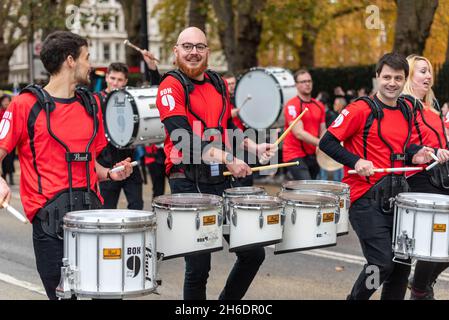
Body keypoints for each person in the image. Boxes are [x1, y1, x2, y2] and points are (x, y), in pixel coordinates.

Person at [0, 31, 133, 300]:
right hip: (51, 229)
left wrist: (109, 173)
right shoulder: (25, 105)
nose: (91, 64)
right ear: (70, 60)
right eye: (87, 57)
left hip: (92, 222)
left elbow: (90, 163)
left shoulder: (91, 104)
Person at [155, 26, 277, 300]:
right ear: (176, 51)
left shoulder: (218, 82)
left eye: (200, 46)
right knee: (199, 265)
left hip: (218, 176)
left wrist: (254, 147)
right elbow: (182, 138)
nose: (194, 52)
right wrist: (228, 158)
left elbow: (226, 127)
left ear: (208, 51)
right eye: (187, 46)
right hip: (186, 180)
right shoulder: (170, 85)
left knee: (252, 253)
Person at [319, 52, 436, 300]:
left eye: (397, 78)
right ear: (377, 77)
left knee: (401, 267)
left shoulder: (407, 109)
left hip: (398, 199)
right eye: (386, 77)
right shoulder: (360, 109)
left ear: (404, 80)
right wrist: (356, 160)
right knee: (381, 262)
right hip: (365, 199)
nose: (391, 83)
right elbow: (327, 142)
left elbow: (403, 148)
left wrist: (418, 154)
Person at [401, 55, 449, 300]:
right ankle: (420, 287)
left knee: (441, 241)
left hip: (443, 176)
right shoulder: (405, 105)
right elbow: (401, 143)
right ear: (409, 76)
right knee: (437, 239)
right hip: (420, 178)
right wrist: (427, 152)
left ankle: (421, 282)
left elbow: (442, 142)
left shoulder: (434, 108)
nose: (428, 76)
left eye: (429, 71)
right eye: (422, 71)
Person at [282, 69, 326, 180]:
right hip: (294, 154)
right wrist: (321, 143)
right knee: (307, 188)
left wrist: (324, 142)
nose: (307, 84)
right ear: (296, 85)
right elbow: (299, 133)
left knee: (310, 190)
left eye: (309, 81)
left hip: (313, 153)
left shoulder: (319, 105)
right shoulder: (292, 105)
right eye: (303, 82)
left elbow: (323, 129)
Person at [0, 95, 15, 185]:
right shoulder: (0, 113)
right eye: (4, 101)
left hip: (12, 140)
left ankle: (11, 176)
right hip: (2, 140)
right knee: (4, 160)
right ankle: (4, 177)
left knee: (11, 159)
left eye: (8, 101)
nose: (6, 102)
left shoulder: (13, 112)